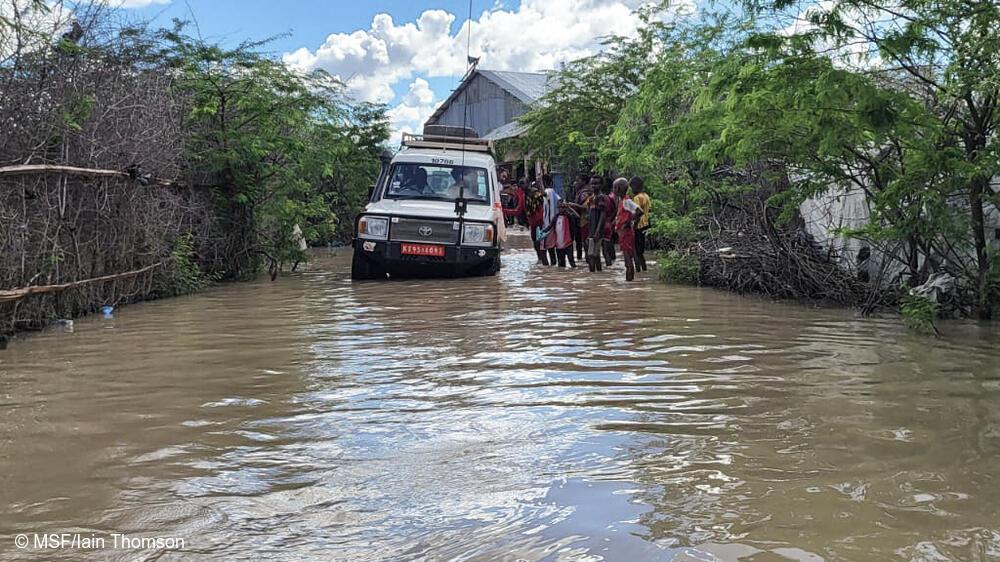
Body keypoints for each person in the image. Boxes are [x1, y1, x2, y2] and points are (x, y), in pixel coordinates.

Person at [613, 177, 644, 281]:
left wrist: (628, 222)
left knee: (628, 262)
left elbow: (639, 211)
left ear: (618, 189)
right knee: (629, 258)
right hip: (623, 234)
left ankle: (629, 282)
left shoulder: (627, 201)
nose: (613, 190)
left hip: (626, 234)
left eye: (614, 188)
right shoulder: (622, 201)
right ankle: (630, 282)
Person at [585, 176, 611, 272]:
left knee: (591, 255)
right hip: (592, 230)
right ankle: (598, 275)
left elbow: (602, 215)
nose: (593, 186)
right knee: (595, 255)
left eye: (596, 184)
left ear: (601, 185)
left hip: (597, 231)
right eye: (592, 183)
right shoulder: (592, 198)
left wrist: (597, 231)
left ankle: (592, 275)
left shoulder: (601, 197)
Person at [629, 176, 651, 272]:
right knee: (640, 251)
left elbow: (638, 212)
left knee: (637, 251)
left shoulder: (637, 198)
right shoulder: (646, 196)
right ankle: (644, 269)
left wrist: (633, 226)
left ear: (635, 186)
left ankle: (638, 270)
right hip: (646, 224)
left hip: (639, 226)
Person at [524, 181, 548, 264]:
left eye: (524, 184)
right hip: (532, 220)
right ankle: (540, 258)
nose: (523, 186)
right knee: (535, 239)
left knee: (539, 240)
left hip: (538, 219)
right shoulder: (526, 194)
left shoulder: (534, 193)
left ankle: (542, 259)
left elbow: (544, 196)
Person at [540, 177, 560, 266]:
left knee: (545, 249)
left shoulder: (549, 191)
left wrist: (539, 184)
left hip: (548, 224)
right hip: (553, 224)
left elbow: (544, 194)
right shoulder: (555, 193)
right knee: (551, 249)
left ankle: (549, 268)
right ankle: (552, 268)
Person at [554, 201, 578, 267]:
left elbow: (577, 216)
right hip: (559, 244)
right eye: (559, 207)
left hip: (568, 243)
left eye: (562, 207)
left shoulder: (569, 216)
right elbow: (550, 227)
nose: (560, 209)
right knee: (561, 263)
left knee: (571, 262)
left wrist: (569, 208)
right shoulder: (556, 217)